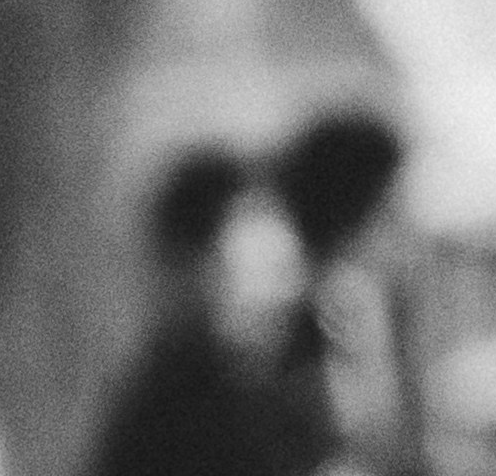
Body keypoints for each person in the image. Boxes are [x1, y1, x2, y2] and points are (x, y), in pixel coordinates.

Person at [77, 145, 328, 476]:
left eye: (285, 270)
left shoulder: (298, 374)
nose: (286, 296)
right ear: (195, 272)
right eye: (260, 272)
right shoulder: (172, 412)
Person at [267, 105, 423, 476]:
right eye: (393, 210)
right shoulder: (347, 298)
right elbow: (373, 439)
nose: (410, 229)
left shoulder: (317, 301)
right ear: (357, 221)